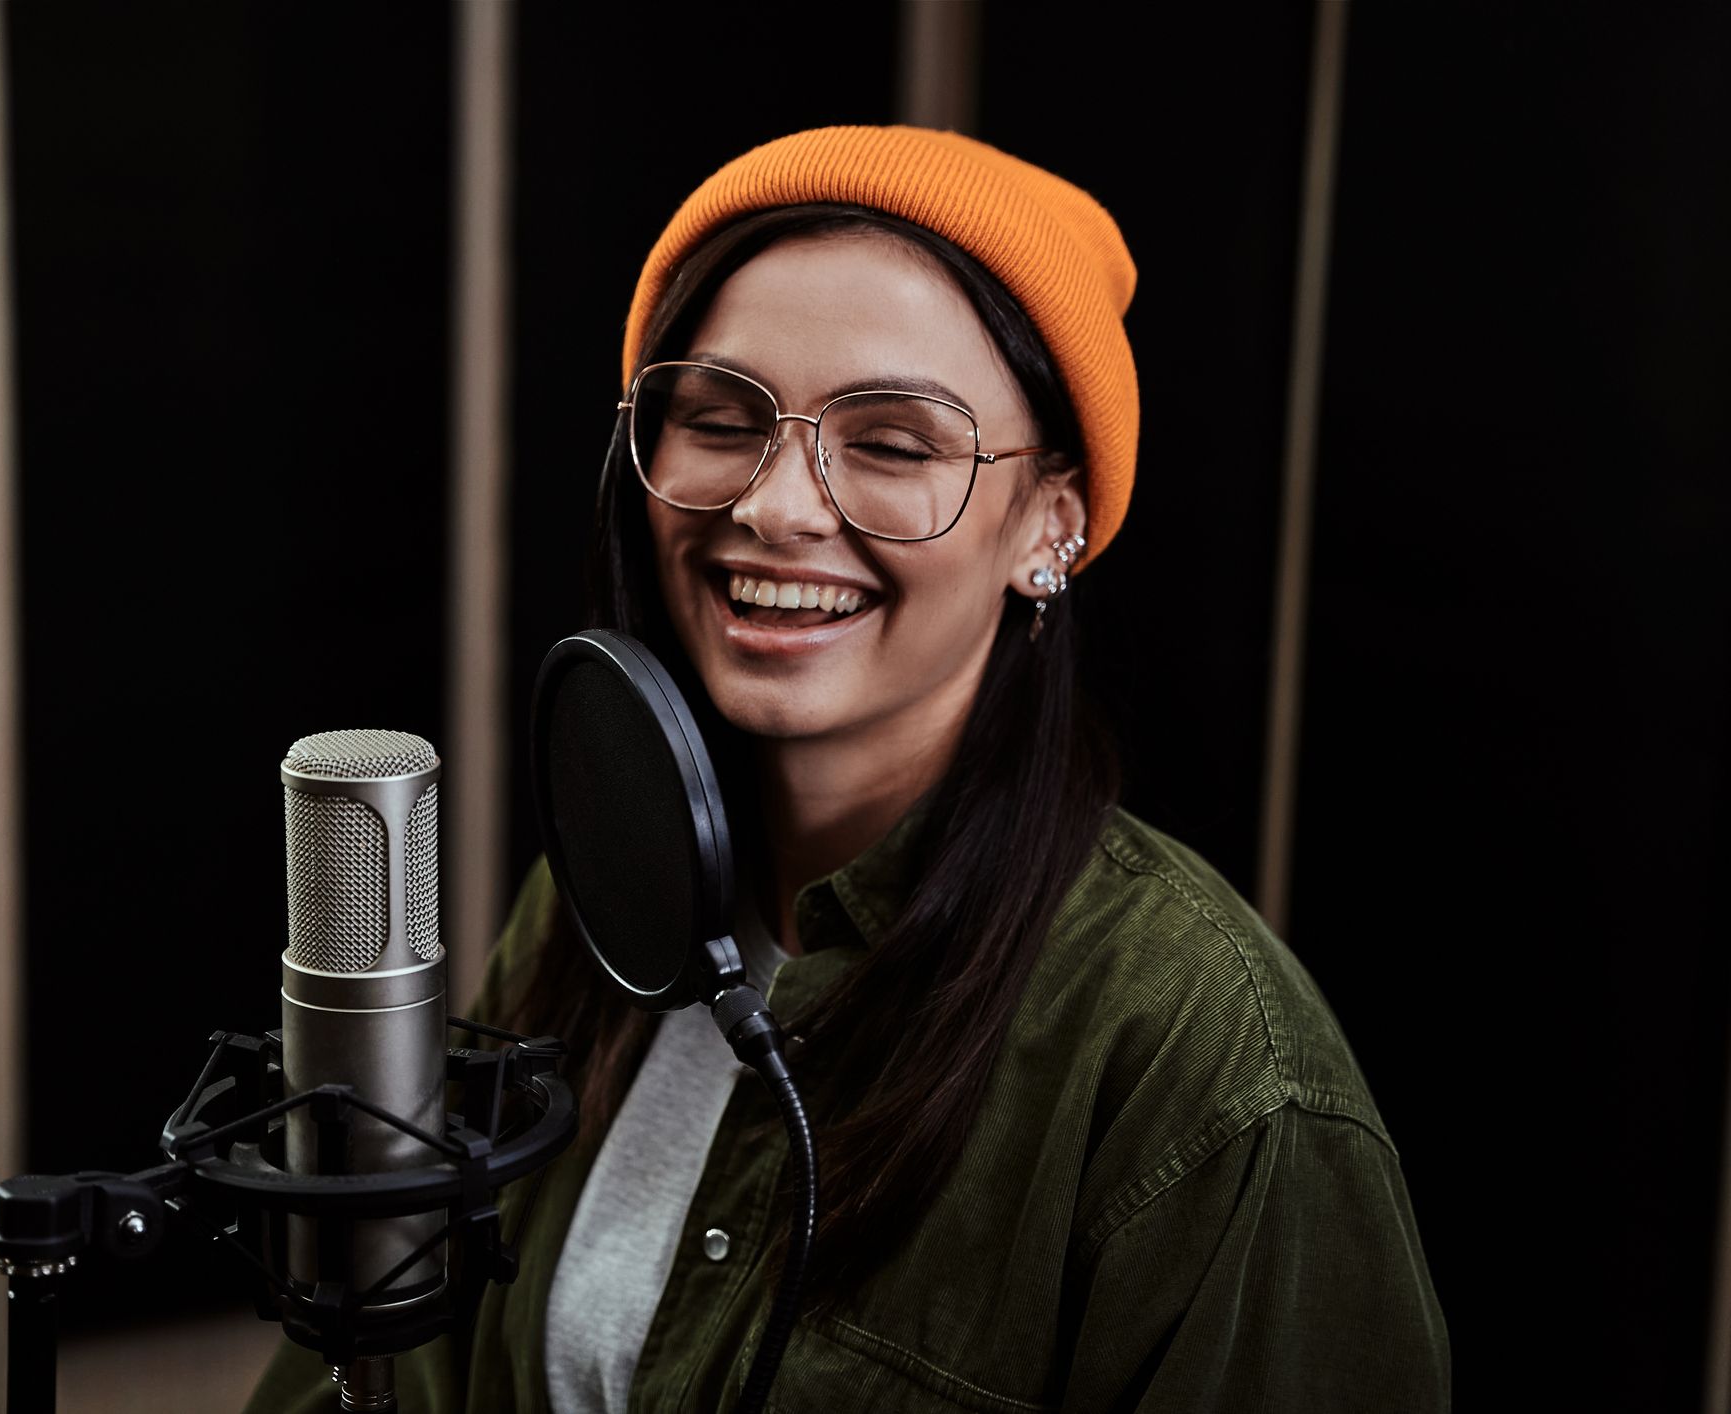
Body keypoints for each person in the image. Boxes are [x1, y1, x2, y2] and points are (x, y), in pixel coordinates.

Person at [248, 124, 1449, 1413]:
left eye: (890, 443)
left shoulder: (1206, 1071)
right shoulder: (599, 893)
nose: (776, 505)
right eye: (721, 417)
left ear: (1053, 525)